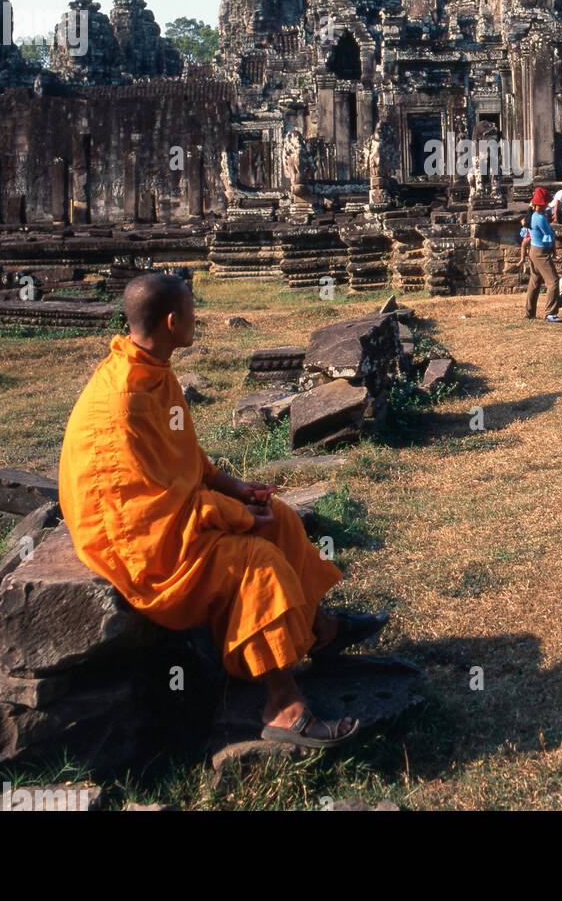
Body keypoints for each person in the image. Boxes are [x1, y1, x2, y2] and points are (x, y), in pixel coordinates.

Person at [58, 272, 385, 751]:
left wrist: (234, 489)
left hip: (172, 515)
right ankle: (283, 705)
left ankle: (320, 631)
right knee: (258, 564)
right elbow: (144, 517)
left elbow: (185, 461)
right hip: (136, 545)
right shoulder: (124, 400)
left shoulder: (152, 370)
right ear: (173, 322)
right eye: (192, 312)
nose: (198, 319)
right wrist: (237, 517)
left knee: (284, 520)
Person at [524, 186, 561, 323]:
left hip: (535, 250)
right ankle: (550, 312)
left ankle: (529, 312)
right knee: (553, 281)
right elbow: (549, 234)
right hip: (541, 253)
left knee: (535, 282)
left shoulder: (535, 215)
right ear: (543, 203)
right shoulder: (539, 217)